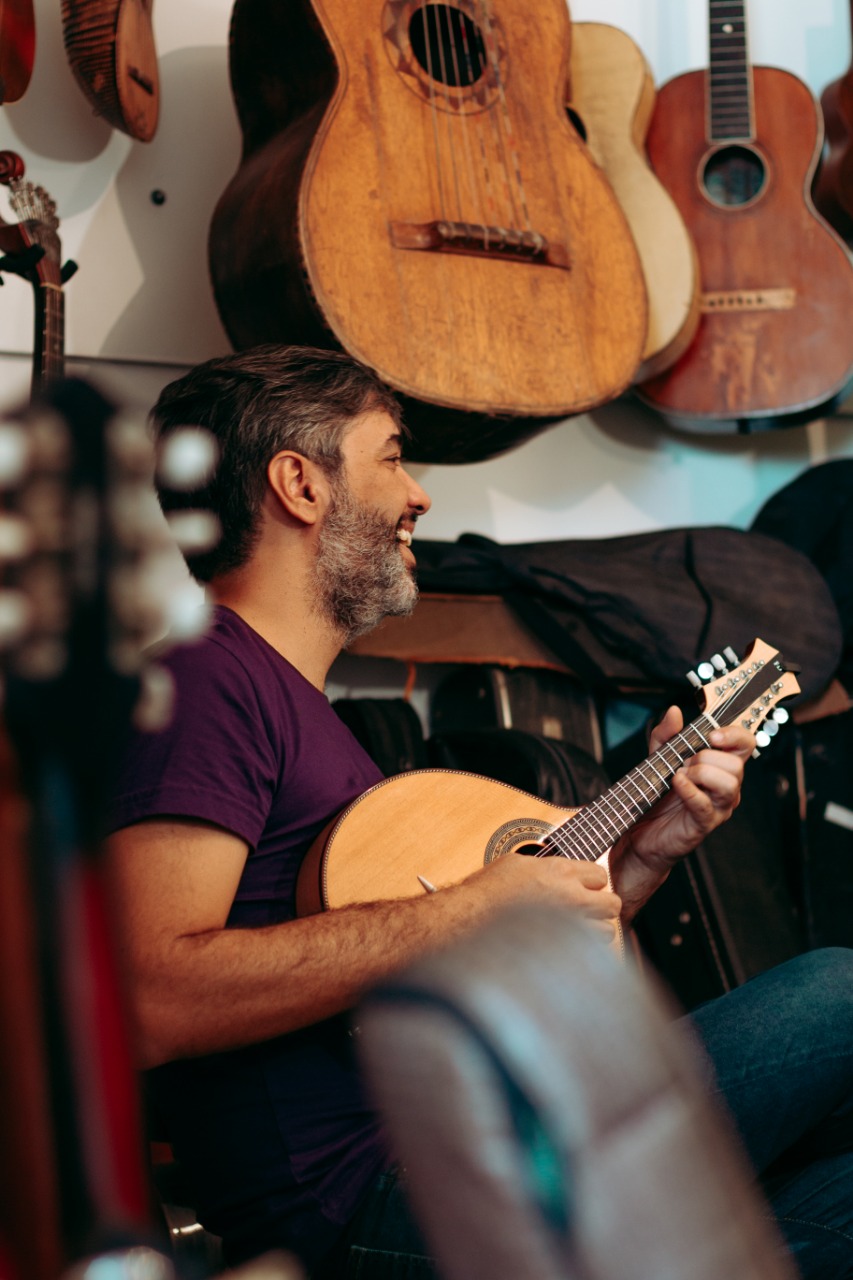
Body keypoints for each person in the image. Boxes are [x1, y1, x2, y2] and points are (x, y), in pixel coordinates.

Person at [107, 344, 853, 1279]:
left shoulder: (323, 728)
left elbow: (495, 959)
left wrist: (644, 857)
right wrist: (471, 908)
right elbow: (148, 998)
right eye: (389, 456)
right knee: (840, 990)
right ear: (298, 484)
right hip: (370, 1200)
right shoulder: (207, 678)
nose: (417, 495)